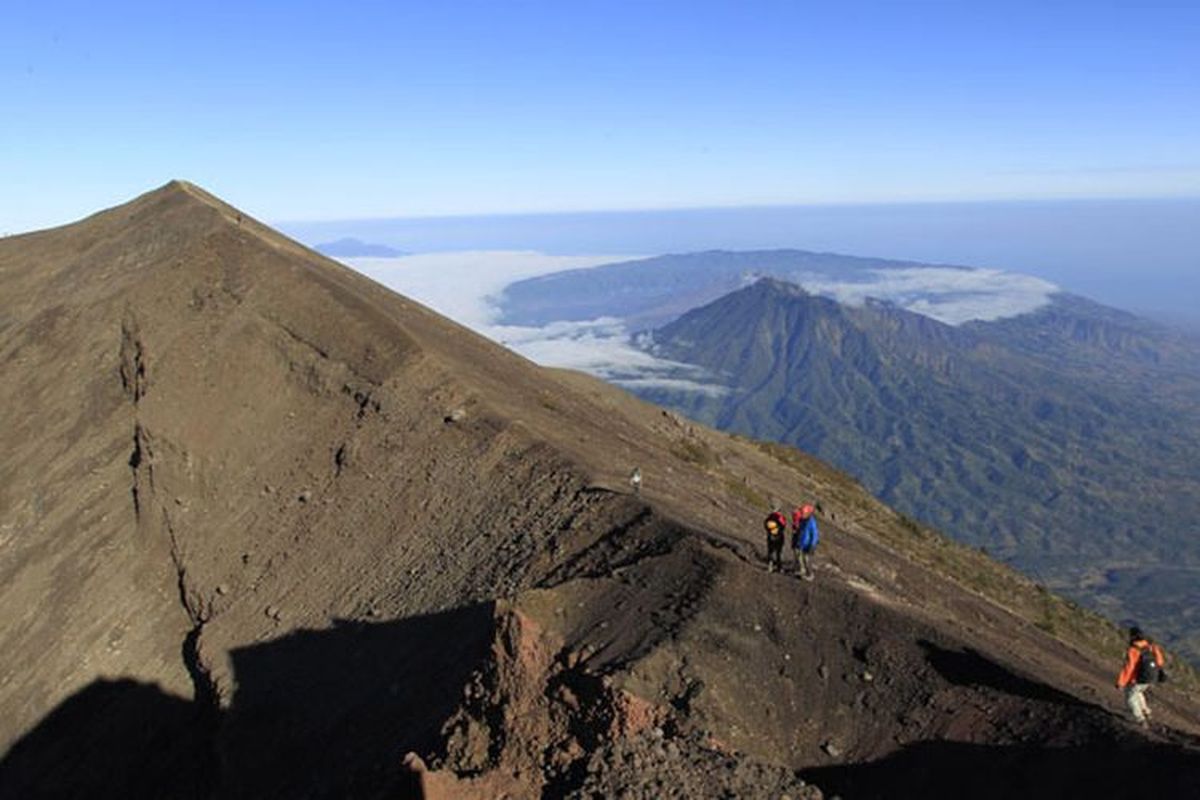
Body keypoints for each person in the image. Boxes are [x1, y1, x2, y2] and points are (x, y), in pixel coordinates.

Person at [1115, 626, 1166, 728]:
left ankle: (1140, 719)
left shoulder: (1134, 650)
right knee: (1138, 692)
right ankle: (1146, 712)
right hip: (1151, 677)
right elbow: (1160, 661)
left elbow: (1129, 667)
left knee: (1131, 696)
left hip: (1138, 678)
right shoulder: (1151, 647)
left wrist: (1121, 682)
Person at [791, 503, 819, 581]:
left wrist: (812, 545)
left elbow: (814, 535)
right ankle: (802, 571)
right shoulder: (803, 520)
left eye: (804, 514)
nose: (802, 515)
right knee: (800, 557)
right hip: (802, 543)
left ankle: (810, 574)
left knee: (806, 559)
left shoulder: (811, 522)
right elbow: (800, 530)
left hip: (808, 544)